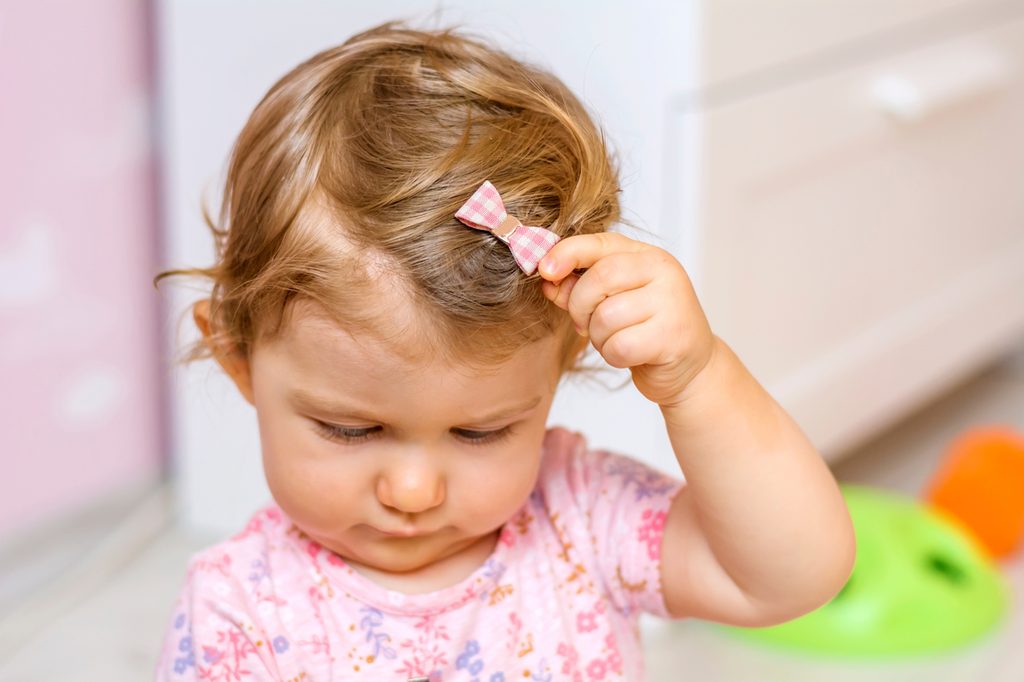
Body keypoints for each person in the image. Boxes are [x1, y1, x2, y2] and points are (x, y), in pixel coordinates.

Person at [152, 19, 855, 682]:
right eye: (352, 429)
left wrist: (700, 380)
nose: (413, 492)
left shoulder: (582, 519)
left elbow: (793, 576)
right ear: (237, 357)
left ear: (565, 357)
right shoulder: (237, 609)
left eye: (481, 432)